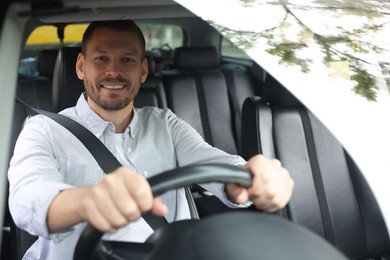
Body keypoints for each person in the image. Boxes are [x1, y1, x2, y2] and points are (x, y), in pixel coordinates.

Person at [8, 20, 294, 259]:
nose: (114, 71)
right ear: (81, 66)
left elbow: (214, 163)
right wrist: (89, 200)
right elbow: (27, 198)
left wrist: (250, 177)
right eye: (101, 58)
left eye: (127, 60)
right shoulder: (43, 129)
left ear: (142, 70)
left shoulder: (165, 124)